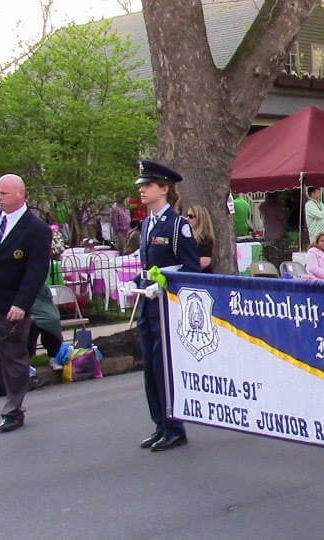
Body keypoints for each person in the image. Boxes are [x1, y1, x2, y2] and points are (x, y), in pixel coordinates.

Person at [134, 161, 200, 450]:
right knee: (149, 367)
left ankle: (175, 425)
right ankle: (159, 423)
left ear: (164, 189)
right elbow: (148, 265)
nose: (142, 191)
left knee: (164, 367)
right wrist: (138, 282)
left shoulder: (177, 225)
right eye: (142, 186)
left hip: (167, 307)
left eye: (147, 186)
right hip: (147, 305)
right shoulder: (147, 223)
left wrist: (164, 282)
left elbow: (191, 269)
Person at [0, 174, 52, 432]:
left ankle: (13, 409)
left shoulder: (35, 229)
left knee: (13, 357)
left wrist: (21, 303)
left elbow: (36, 271)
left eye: (3, 194)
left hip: (11, 304)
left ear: (20, 194)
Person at [184, 205, 215, 273]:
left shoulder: (205, 239)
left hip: (201, 277)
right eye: (187, 216)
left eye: (191, 216)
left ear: (199, 218)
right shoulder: (188, 236)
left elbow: (204, 262)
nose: (187, 219)